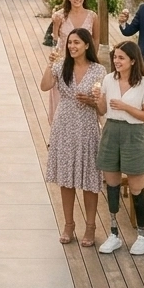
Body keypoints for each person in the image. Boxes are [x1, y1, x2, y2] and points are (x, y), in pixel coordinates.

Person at [40, 28, 105, 246]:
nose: (72, 47)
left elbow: (103, 106)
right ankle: (68, 225)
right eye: (70, 43)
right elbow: (45, 86)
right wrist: (50, 64)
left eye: (77, 43)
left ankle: (90, 226)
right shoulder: (61, 66)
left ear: (87, 45)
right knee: (66, 179)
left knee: (89, 179)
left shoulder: (98, 70)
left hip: (87, 125)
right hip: (64, 124)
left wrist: (92, 101)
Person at [96, 40, 144, 256]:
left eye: (121, 57)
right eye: (115, 57)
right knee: (111, 184)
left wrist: (126, 107)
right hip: (111, 131)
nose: (116, 61)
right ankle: (113, 234)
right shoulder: (107, 80)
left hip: (134, 134)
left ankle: (142, 236)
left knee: (136, 187)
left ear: (133, 60)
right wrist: (98, 101)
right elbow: (103, 110)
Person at [47, 0, 99, 124]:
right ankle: (58, 127)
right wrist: (54, 61)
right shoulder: (59, 16)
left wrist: (94, 58)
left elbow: (96, 38)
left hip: (85, 60)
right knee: (61, 94)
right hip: (64, 59)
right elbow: (55, 39)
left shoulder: (92, 16)